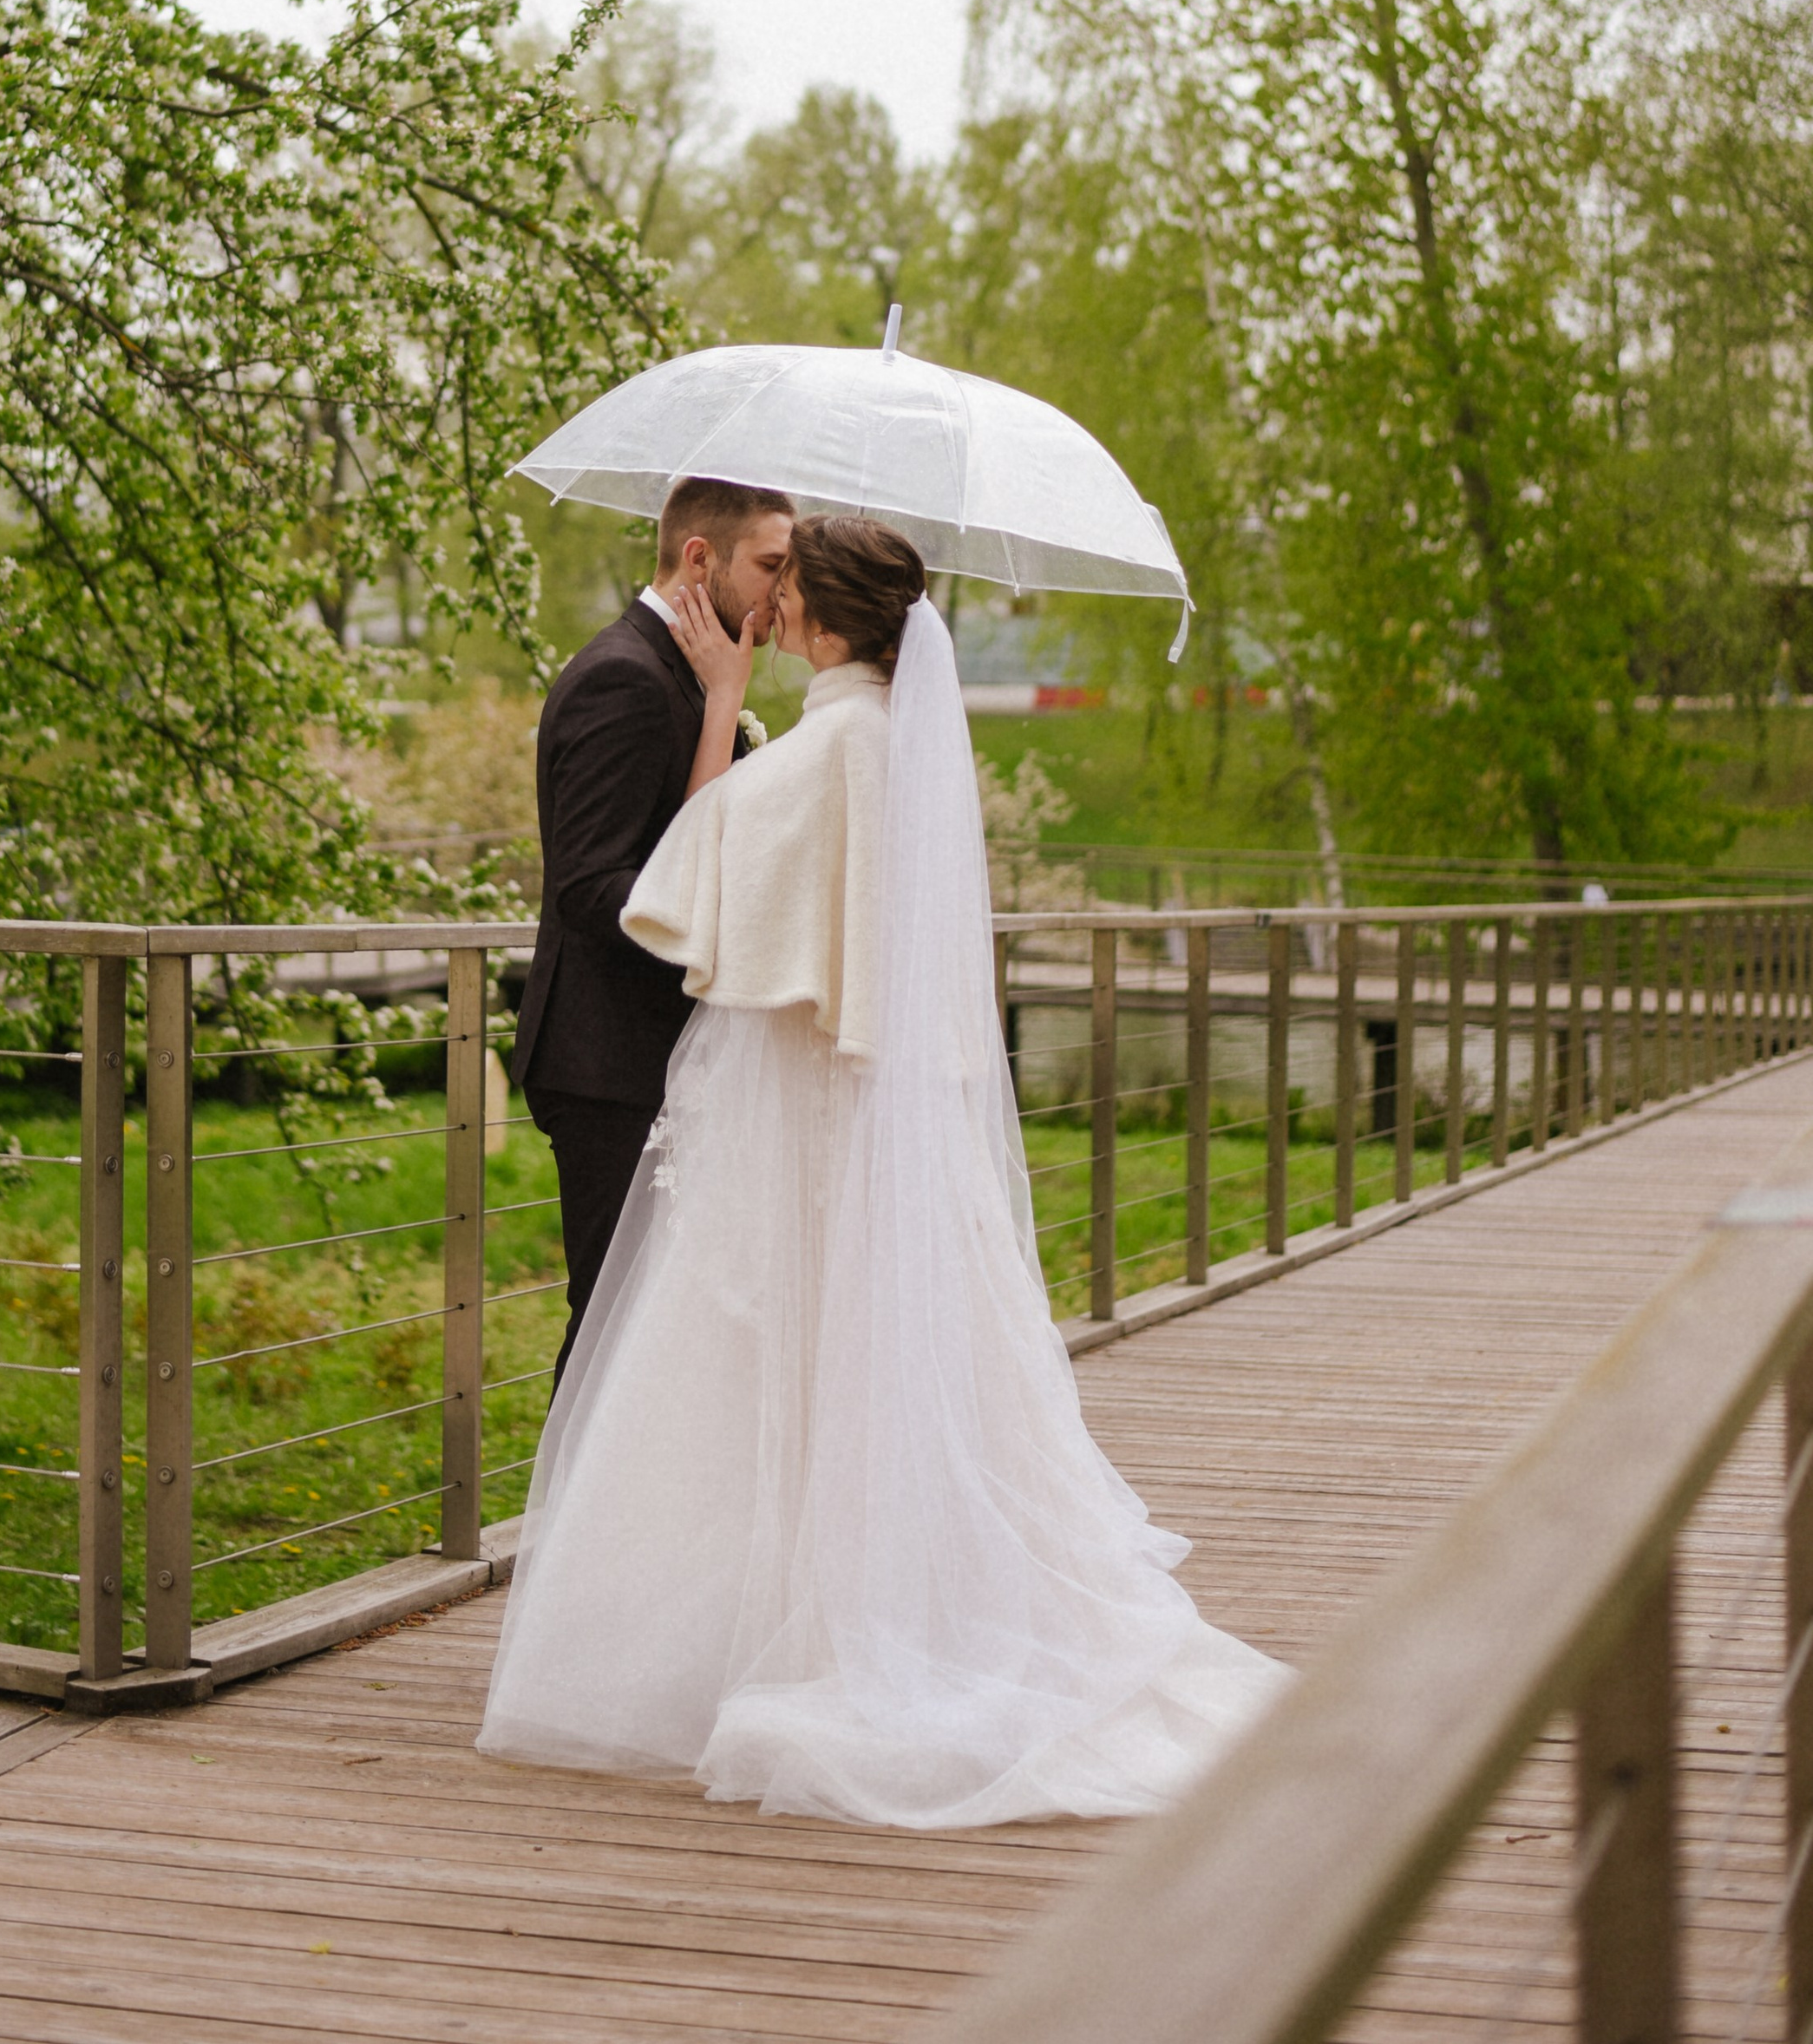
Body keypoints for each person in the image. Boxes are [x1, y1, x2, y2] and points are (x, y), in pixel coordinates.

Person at [481, 514, 1286, 1831]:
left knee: (772, 1357)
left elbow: (688, 877)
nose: (767, 598)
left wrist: (725, 709)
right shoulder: (897, 751)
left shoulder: (820, 754)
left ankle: (786, 1622)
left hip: (797, 1120)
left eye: (786, 582)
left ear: (827, 615)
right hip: (864, 1116)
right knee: (868, 1362)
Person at [513, 475, 794, 1384]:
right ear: (699, 558)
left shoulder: (691, 675)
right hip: (609, 1065)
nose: (781, 593)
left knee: (660, 1328)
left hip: (661, 1056)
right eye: (769, 566)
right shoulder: (622, 680)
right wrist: (720, 931)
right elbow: (593, 888)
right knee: (612, 1327)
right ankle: (567, 1528)